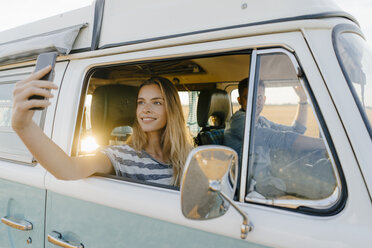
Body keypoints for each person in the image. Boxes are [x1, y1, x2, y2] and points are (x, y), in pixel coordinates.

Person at [11, 66, 193, 186]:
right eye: (141, 102)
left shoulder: (188, 155)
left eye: (156, 103)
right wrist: (23, 126)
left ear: (172, 110)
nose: (145, 109)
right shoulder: (121, 155)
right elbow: (68, 169)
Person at [224, 78, 325, 196]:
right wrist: (326, 144)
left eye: (259, 97)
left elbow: (296, 130)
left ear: (264, 99)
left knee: (316, 180)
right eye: (249, 97)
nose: (255, 101)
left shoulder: (262, 121)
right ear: (240, 100)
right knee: (316, 192)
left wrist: (302, 100)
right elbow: (278, 138)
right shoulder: (239, 121)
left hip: (269, 178)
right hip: (254, 187)